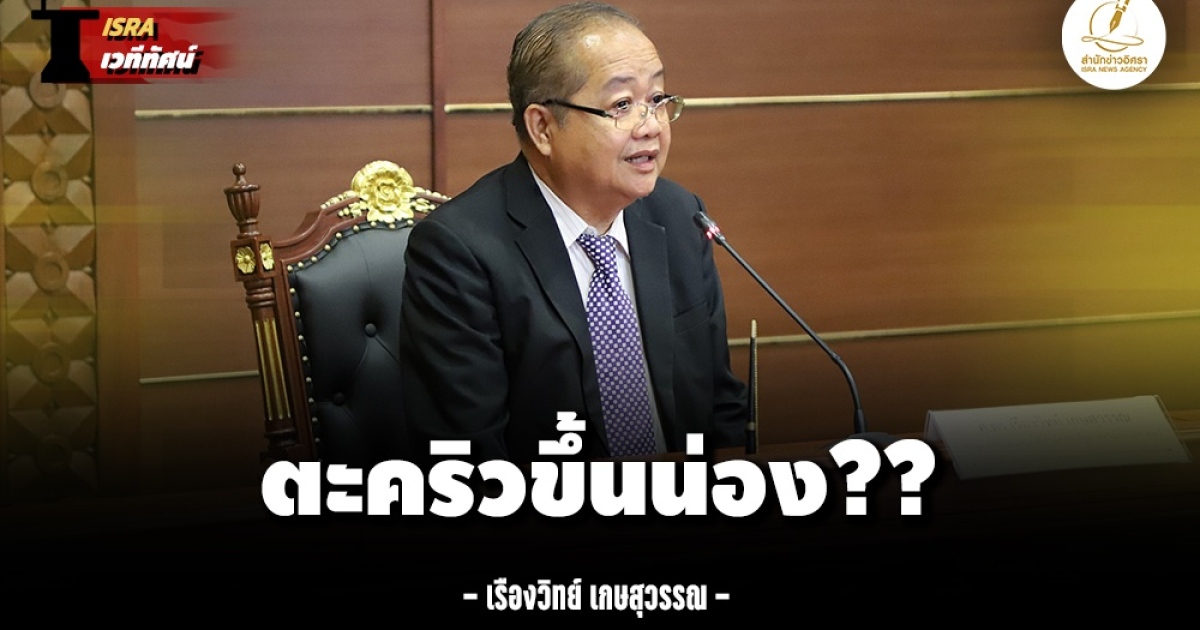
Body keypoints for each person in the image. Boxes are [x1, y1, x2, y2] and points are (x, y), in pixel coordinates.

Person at [399, 2, 746, 465]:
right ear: (543, 127)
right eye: (622, 105)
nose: (651, 127)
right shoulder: (459, 251)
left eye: (658, 99)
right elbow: (466, 459)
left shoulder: (680, 217)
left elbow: (721, 407)